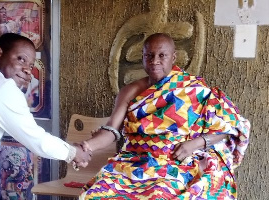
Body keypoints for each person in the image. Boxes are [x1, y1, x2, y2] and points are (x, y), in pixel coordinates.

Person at [79, 33, 250, 199]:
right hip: (133, 162)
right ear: (143, 57)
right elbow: (111, 131)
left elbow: (231, 128)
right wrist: (86, 147)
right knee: (97, 194)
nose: (155, 61)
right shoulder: (129, 92)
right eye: (149, 55)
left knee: (161, 194)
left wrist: (196, 143)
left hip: (176, 164)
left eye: (162, 55)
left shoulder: (194, 90)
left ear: (173, 57)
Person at [0, 33, 91, 200]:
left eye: (31, 65)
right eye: (21, 59)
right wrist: (73, 152)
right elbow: (36, 139)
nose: (28, 69)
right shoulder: (2, 88)